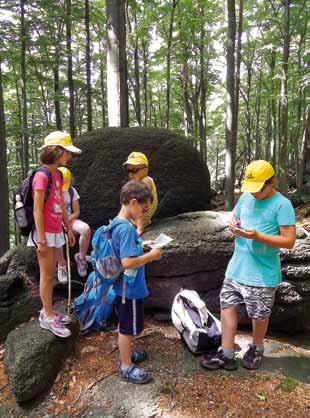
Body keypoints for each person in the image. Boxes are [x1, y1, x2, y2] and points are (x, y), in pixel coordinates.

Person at [200, 160, 296, 371]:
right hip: (237, 266)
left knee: (259, 315)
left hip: (262, 273)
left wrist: (258, 236)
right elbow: (235, 217)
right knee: (226, 305)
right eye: (251, 189)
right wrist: (233, 224)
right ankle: (226, 353)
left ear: (272, 183)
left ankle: (256, 347)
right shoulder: (245, 196)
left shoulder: (282, 205)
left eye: (259, 189)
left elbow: (289, 240)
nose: (254, 194)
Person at [27, 131, 82, 338]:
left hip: (56, 229)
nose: (69, 156)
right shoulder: (41, 176)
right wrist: (41, 239)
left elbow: (59, 204)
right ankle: (47, 316)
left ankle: (48, 310)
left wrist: (67, 226)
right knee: (47, 274)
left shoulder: (58, 175)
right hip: (44, 233)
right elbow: (37, 210)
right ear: (57, 151)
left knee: (51, 275)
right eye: (67, 152)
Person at [112, 180, 162, 384]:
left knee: (127, 325)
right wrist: (152, 256)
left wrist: (140, 244)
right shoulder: (126, 229)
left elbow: (125, 250)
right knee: (127, 328)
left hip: (123, 288)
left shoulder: (118, 224)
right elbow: (127, 262)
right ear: (133, 202)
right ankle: (126, 366)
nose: (144, 212)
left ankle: (127, 354)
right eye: (144, 208)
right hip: (129, 289)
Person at [56, 167, 91, 282]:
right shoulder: (50, 192)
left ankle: (81, 258)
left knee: (85, 229)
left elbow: (76, 212)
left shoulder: (71, 191)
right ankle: (61, 265)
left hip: (70, 220)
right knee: (56, 235)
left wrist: (67, 221)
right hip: (55, 223)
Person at [123, 152, 158, 236]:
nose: (131, 173)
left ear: (145, 170)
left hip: (138, 222)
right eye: (129, 170)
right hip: (132, 221)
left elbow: (142, 206)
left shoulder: (146, 181)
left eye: (134, 170)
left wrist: (139, 228)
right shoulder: (137, 183)